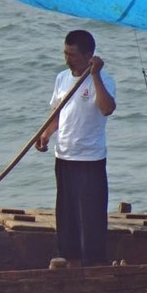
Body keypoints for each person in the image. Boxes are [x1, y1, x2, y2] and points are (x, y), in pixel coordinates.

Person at [34, 30, 116, 266]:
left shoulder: (103, 80)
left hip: (90, 160)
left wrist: (96, 75)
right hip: (64, 157)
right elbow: (59, 113)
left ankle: (94, 265)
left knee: (91, 218)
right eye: (65, 53)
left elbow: (107, 108)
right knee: (67, 217)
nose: (68, 59)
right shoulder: (62, 78)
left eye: (74, 55)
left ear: (89, 55)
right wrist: (46, 134)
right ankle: (70, 262)